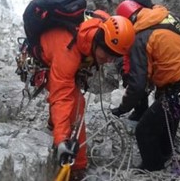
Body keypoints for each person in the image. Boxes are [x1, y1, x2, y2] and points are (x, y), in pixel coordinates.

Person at [110, 0, 180, 171]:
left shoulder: (140, 37)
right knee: (168, 116)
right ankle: (165, 151)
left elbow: (138, 84)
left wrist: (123, 108)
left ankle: (153, 168)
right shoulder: (165, 15)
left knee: (143, 131)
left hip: (178, 88)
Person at [40, 11, 135, 178]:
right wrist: (62, 140)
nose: (108, 60)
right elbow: (62, 96)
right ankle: (77, 167)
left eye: (114, 57)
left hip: (70, 60)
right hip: (48, 59)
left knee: (74, 101)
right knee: (76, 104)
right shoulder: (67, 50)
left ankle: (54, 125)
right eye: (106, 54)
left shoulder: (102, 28)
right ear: (98, 41)